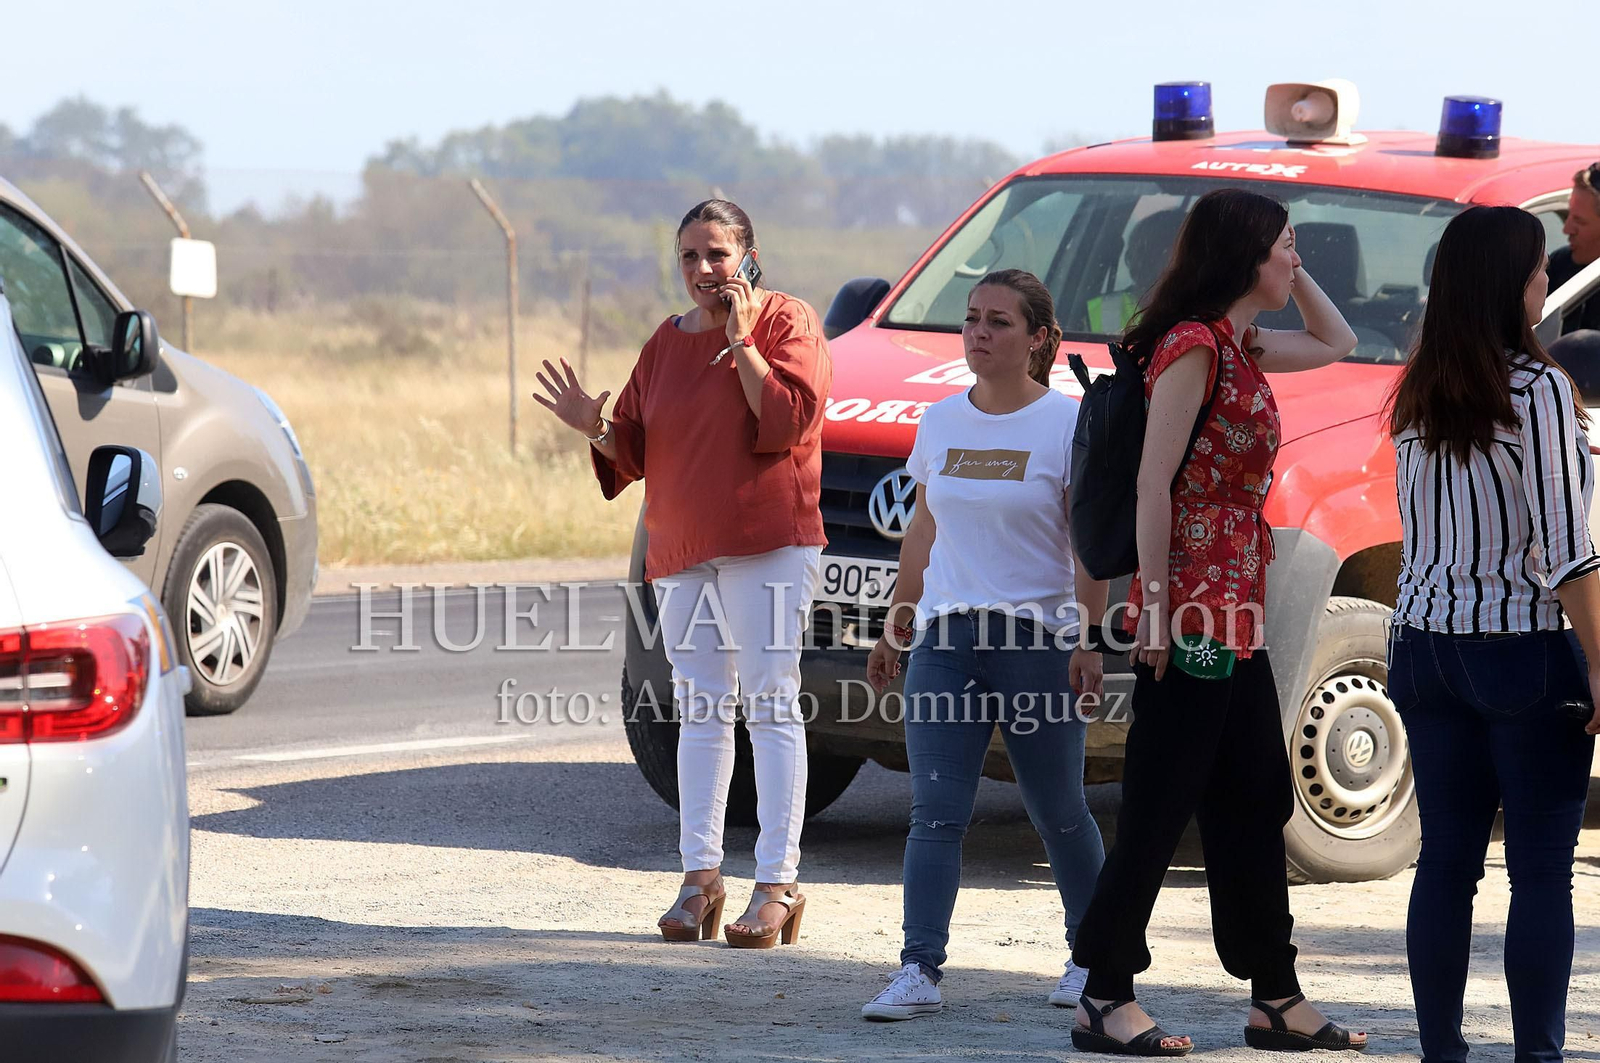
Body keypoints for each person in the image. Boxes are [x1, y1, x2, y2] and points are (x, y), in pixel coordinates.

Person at [1069, 188, 1367, 1055]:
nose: (1295, 256)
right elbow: (1153, 485)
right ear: (1243, 253)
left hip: (1236, 609)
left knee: (1255, 795)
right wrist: (1155, 606)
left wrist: (1297, 267)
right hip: (1193, 607)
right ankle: (1104, 992)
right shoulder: (1193, 346)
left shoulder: (1243, 340)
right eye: (1285, 245)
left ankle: (1274, 992)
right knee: (1162, 803)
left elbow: (1340, 342)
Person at [534, 199, 831, 948]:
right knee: (700, 707)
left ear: (749, 256)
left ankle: (777, 882)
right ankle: (701, 879)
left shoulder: (787, 322)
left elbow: (791, 420)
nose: (703, 269)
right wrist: (594, 425)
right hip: (681, 549)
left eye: (717, 254)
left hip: (767, 542)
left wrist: (743, 343)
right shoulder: (662, 346)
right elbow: (631, 450)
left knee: (768, 701)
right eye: (689, 257)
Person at [858, 269, 1109, 1021]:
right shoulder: (939, 421)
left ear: (1037, 338)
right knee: (935, 809)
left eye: (998, 321)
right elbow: (924, 530)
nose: (978, 333)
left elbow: (1088, 545)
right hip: (947, 637)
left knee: (1059, 808)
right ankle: (918, 969)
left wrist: (1089, 638)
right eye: (971, 319)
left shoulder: (1067, 425)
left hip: (1037, 641)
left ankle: (1095, 956)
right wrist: (897, 621)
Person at [1385, 205, 1600, 1063]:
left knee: (1445, 865)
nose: (1547, 283)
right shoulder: (1540, 388)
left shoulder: (1415, 388)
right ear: (1510, 286)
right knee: (1541, 869)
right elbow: (1570, 552)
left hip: (1424, 643)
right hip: (1521, 648)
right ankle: (1538, 1056)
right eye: (1539, 271)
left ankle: (1442, 1050)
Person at [1086, 210, 1187, 334]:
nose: (1145, 260)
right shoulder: (1097, 310)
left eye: (1161, 249)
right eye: (1141, 249)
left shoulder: (1204, 316)